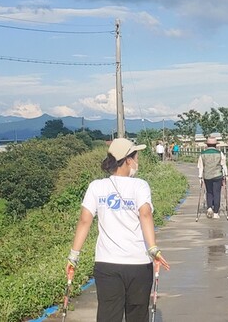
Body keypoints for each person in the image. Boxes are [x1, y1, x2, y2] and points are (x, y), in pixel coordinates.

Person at [66, 138, 170, 322]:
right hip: (138, 263)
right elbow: (146, 215)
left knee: (108, 315)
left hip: (106, 264)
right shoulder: (140, 185)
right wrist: (153, 249)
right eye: (136, 156)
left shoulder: (96, 187)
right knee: (137, 315)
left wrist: (73, 256)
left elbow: (84, 220)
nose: (137, 161)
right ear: (128, 160)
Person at [197, 136, 227, 219]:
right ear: (215, 145)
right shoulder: (219, 153)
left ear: (207, 145)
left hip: (207, 176)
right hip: (218, 175)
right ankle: (216, 213)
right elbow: (223, 165)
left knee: (209, 192)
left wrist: (200, 177)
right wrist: (226, 175)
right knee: (217, 193)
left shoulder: (202, 154)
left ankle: (209, 207)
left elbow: (201, 166)